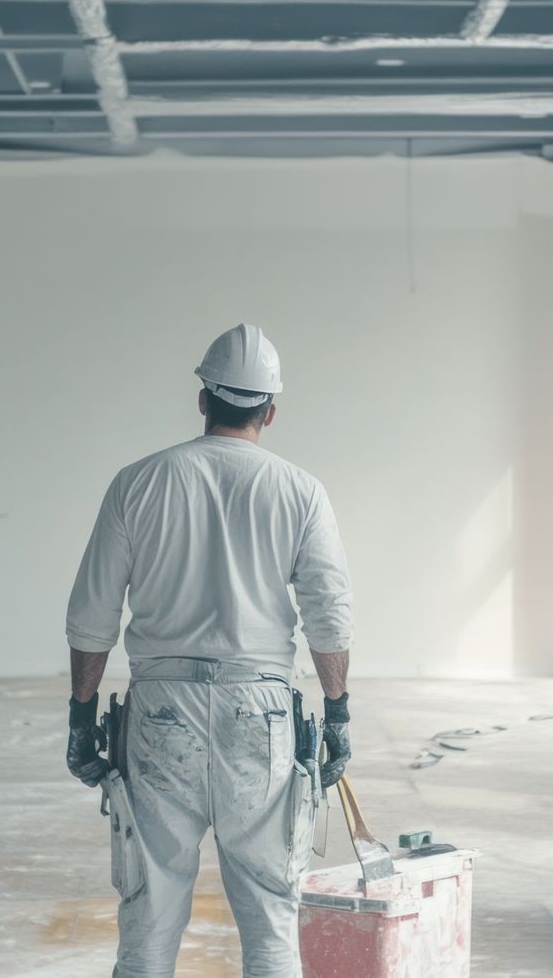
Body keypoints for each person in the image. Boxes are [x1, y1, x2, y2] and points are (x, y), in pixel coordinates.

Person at [63, 323, 354, 977]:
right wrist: (337, 715)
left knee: (148, 921)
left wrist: (82, 719)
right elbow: (329, 621)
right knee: (272, 924)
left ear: (202, 400)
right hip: (263, 713)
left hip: (162, 712)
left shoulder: (137, 483)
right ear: (271, 411)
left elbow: (91, 620)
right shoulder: (301, 492)